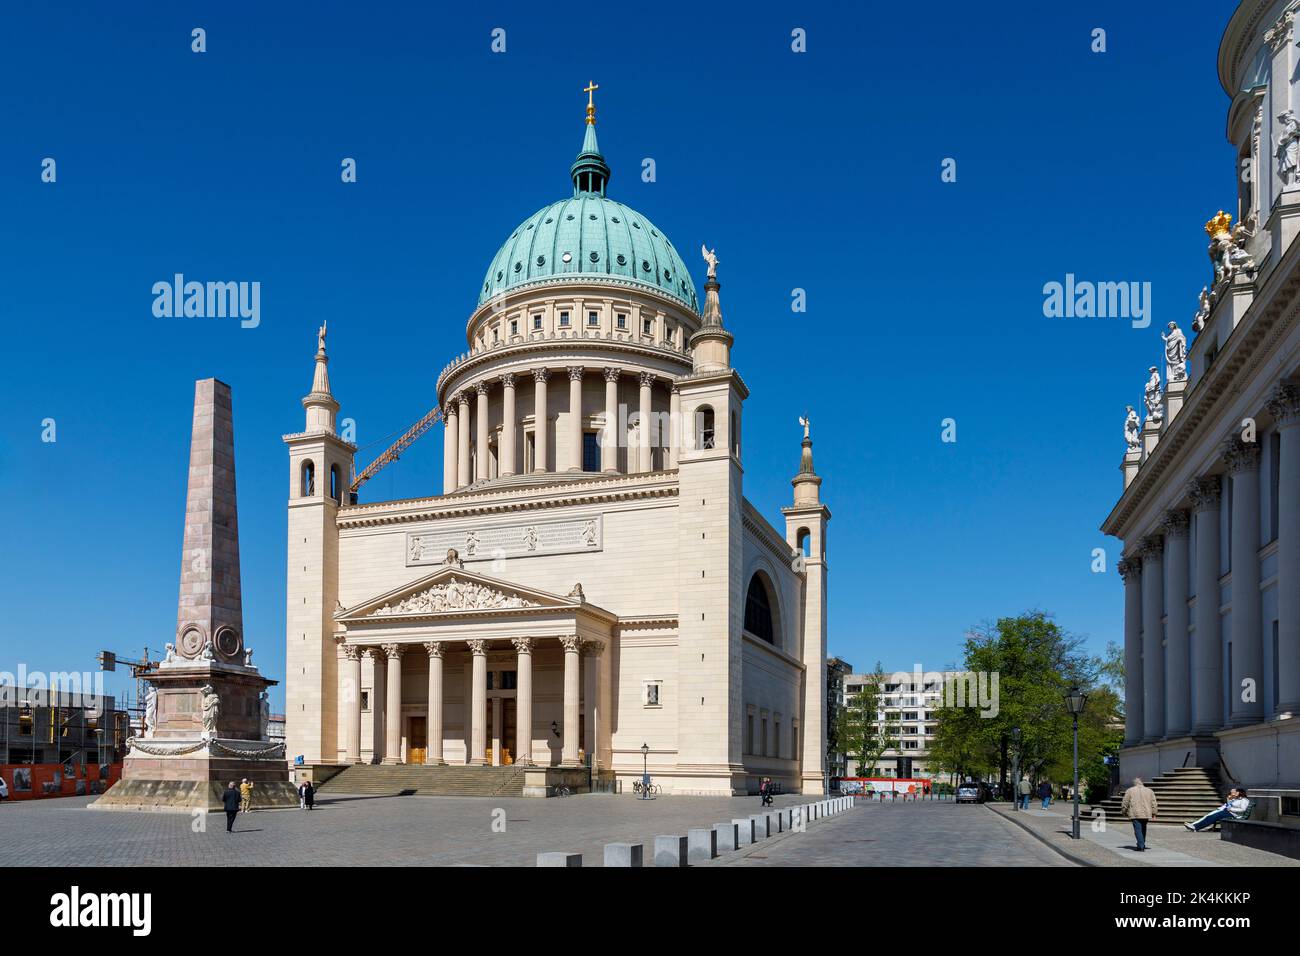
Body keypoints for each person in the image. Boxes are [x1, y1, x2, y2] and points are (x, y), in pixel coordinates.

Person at [1120, 777, 1158, 851]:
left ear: (1135, 783)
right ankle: (1141, 844)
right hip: (1146, 813)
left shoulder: (1130, 790)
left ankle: (1141, 845)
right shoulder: (1149, 791)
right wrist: (1154, 812)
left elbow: (1125, 802)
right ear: (1142, 783)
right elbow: (1154, 803)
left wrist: (1123, 811)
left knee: (1138, 829)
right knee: (1143, 829)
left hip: (1135, 813)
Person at [1184, 788, 1249, 832]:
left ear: (1240, 792)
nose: (1235, 792)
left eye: (1237, 791)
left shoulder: (1244, 800)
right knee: (1210, 816)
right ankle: (1194, 825)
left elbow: (1243, 809)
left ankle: (1195, 827)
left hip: (1233, 814)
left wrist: (1231, 809)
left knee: (1213, 817)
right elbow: (1229, 804)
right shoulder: (1237, 799)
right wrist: (1229, 799)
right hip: (1228, 812)